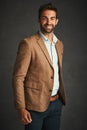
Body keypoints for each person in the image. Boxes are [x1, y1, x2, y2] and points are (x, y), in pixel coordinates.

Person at [12, 2, 66, 130]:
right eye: (44, 18)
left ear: (56, 21)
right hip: (34, 107)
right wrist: (21, 107)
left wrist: (59, 101)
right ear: (39, 20)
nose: (48, 22)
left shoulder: (59, 44)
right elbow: (18, 77)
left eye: (52, 18)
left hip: (56, 103)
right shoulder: (28, 44)